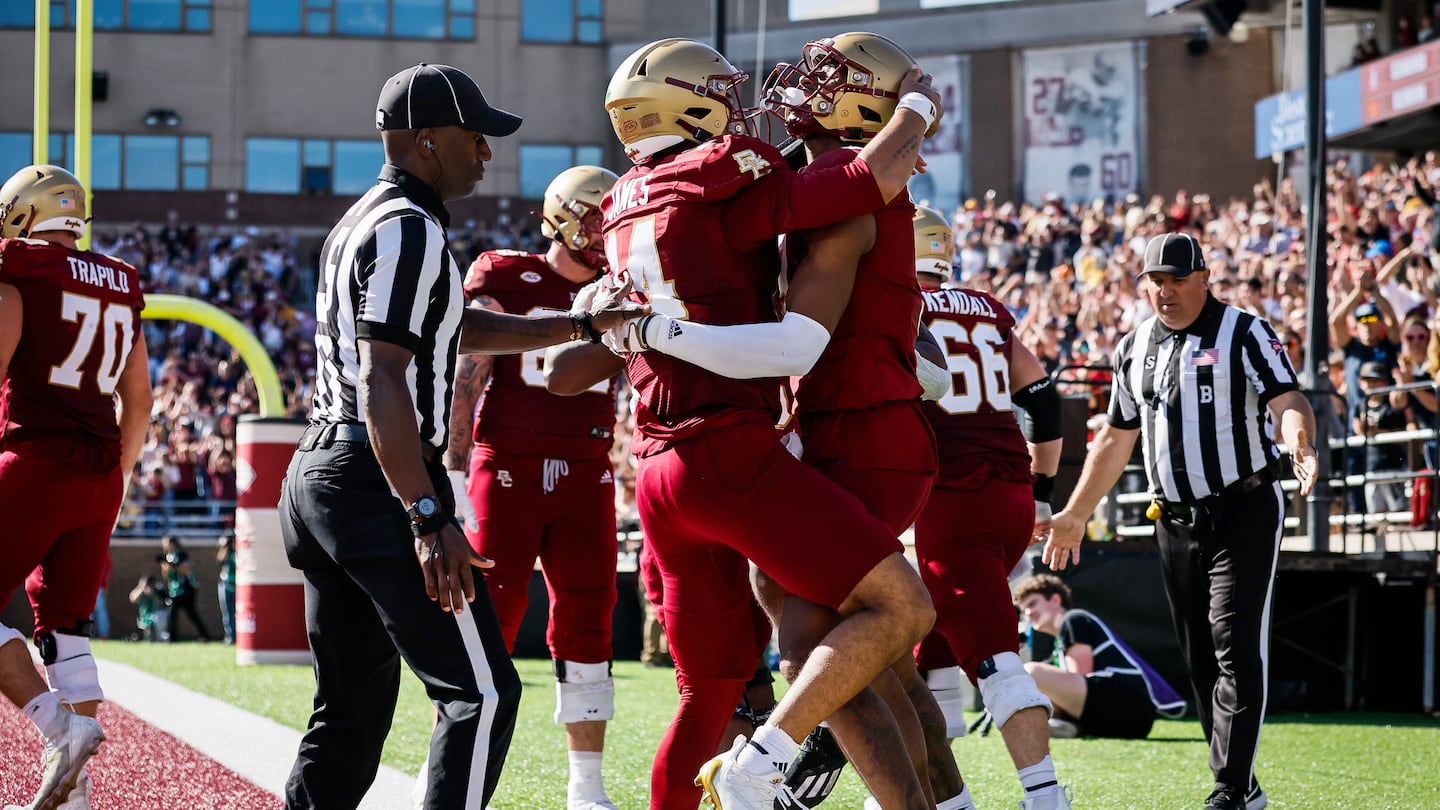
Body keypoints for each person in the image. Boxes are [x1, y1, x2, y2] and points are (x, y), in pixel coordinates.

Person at [560, 36, 942, 809]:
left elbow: (569, 372)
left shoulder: (617, 205)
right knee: (902, 609)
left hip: (658, 475)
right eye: (722, 95)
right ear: (691, 105)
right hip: (726, 454)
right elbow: (865, 180)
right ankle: (766, 759)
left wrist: (609, 323)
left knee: (708, 694)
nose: (745, 110)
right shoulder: (719, 174)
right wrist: (920, 105)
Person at [277, 62, 642, 810]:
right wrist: (426, 514)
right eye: (473, 137)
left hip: (322, 470)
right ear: (424, 141)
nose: (485, 152)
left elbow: (450, 329)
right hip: (373, 471)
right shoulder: (410, 229)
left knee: (349, 711)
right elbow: (384, 378)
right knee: (482, 693)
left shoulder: (366, 219)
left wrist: (576, 323)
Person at [1046, 232, 1319, 810]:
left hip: (1242, 507)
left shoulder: (1244, 331)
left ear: (1204, 277)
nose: (1165, 292)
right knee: (1199, 657)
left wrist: (1300, 444)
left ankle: (1229, 789)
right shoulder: (1134, 344)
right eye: (1156, 281)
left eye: (1176, 279)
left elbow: (1288, 400)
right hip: (1172, 520)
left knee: (1234, 644)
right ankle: (1243, 784)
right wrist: (1075, 513)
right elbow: (1116, 440)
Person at [444, 165, 624, 810]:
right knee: (488, 619)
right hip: (508, 465)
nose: (611, 231)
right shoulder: (505, 274)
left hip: (588, 468)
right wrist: (456, 471)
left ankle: (586, 786)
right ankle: (457, 776)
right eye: (602, 217)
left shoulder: (623, 285)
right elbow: (470, 370)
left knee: (589, 621)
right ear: (567, 214)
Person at [908, 206, 1073, 810]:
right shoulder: (983, 306)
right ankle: (936, 794)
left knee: (997, 657)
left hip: (957, 498)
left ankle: (1045, 797)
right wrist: (1043, 491)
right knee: (930, 649)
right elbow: (1044, 398)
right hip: (1009, 489)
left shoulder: (901, 304)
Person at [0, 164, 153, 809]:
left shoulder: (22, 271)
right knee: (66, 629)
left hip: (35, 459)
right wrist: (115, 478)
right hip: (101, 472)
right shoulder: (120, 281)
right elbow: (139, 400)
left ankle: (59, 728)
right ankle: (75, 788)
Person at [1015, 574, 1187, 740]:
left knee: (1030, 672)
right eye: (1024, 610)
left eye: (1033, 604)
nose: (1028, 613)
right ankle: (1072, 727)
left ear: (1055, 600)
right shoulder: (1059, 645)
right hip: (1126, 719)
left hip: (1130, 707)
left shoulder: (1074, 619)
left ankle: (1063, 723)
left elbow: (1080, 676)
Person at [161, 535, 213, 642]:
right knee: (174, 613)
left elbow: (185, 570)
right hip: (174, 590)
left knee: (191, 614)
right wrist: (166, 567)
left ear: (173, 543)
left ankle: (204, 636)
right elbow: (165, 575)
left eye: (166, 543)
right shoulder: (168, 556)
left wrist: (174, 566)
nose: (164, 545)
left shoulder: (181, 554)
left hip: (186, 588)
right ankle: (172, 637)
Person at [216, 530, 238, 644]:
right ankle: (230, 636)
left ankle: (238, 636)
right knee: (227, 613)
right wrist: (225, 546)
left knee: (237, 613)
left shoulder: (237, 552)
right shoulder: (226, 552)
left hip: (237, 585)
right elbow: (219, 560)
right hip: (225, 584)